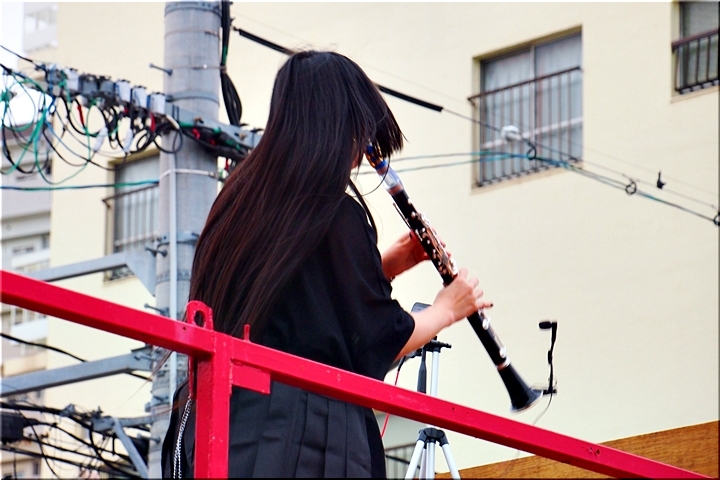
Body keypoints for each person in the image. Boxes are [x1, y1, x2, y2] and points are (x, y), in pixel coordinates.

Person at [161, 50, 491, 478]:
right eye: (359, 132)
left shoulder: (239, 200)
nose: (361, 150)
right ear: (339, 126)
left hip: (215, 426)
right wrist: (448, 307)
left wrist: (382, 268)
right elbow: (377, 339)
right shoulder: (334, 211)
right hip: (299, 435)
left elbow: (298, 308)